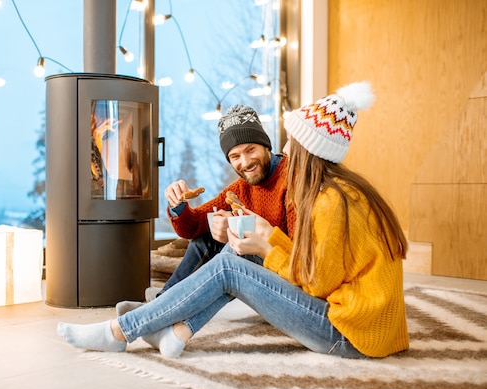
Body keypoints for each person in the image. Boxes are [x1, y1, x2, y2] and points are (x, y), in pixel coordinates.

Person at [57, 81, 410, 359]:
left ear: (308, 153)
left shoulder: (329, 201)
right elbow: (198, 225)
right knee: (229, 253)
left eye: (290, 145)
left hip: (349, 333)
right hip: (360, 324)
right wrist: (186, 211)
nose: (285, 152)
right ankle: (172, 329)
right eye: (235, 155)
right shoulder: (341, 190)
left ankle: (121, 331)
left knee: (231, 266)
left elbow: (317, 283)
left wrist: (267, 243)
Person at [120, 104, 294, 313]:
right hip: (260, 274)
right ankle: (163, 304)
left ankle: (161, 309)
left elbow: (297, 252)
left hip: (286, 279)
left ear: (267, 146)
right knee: (207, 236)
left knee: (232, 245)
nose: (246, 162)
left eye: (251, 150)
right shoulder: (239, 189)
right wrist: (178, 204)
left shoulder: (291, 179)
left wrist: (238, 228)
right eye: (235, 156)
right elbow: (193, 226)